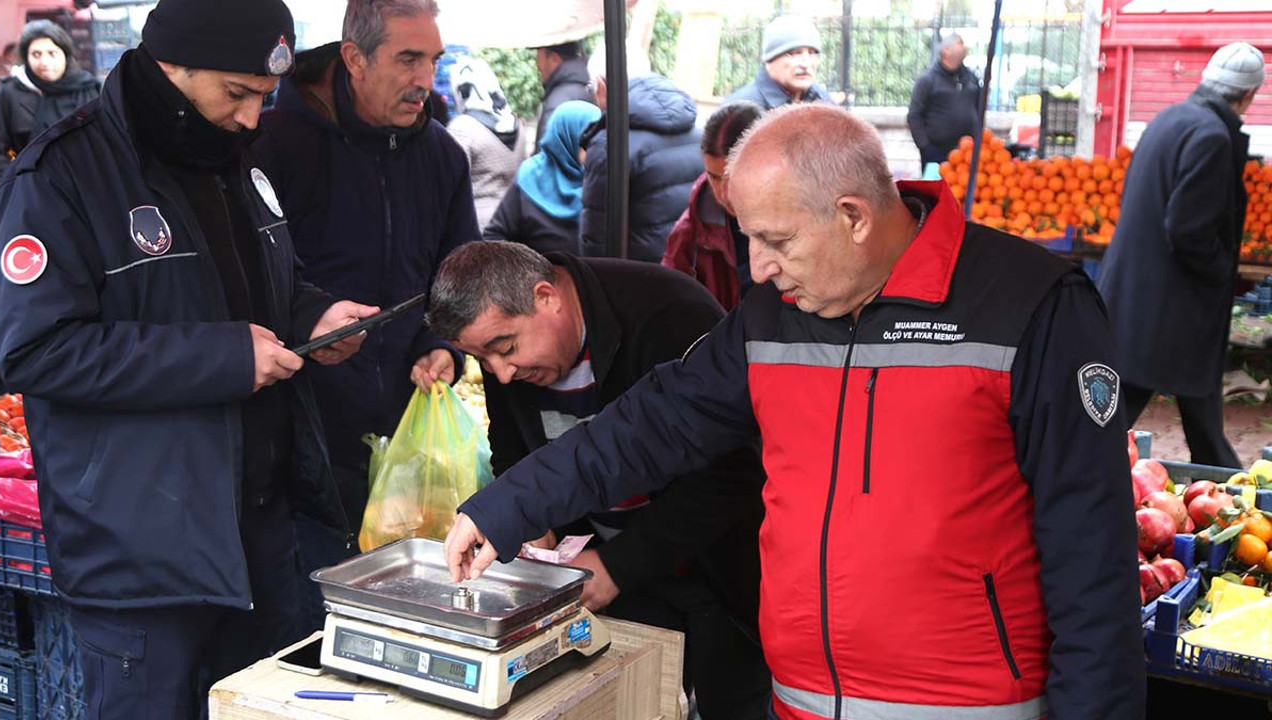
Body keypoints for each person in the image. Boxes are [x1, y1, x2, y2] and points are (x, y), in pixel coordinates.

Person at [445, 104, 1145, 720]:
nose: (757, 269)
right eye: (747, 237)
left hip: (968, 705)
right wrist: (503, 508)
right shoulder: (772, 319)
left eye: (776, 242)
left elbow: (1092, 553)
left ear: (853, 217)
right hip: (800, 700)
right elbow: (648, 425)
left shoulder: (1031, 304)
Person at [0, 0, 382, 717]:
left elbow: (264, 289)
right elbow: (36, 351)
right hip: (145, 561)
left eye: (264, 99)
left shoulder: (232, 160)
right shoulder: (59, 178)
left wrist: (312, 316)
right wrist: (225, 357)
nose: (251, 119)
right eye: (236, 95)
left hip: (262, 539)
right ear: (176, 66)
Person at [427, 240, 771, 719]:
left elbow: (729, 474)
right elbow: (513, 449)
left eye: (505, 348)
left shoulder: (670, 313)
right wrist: (532, 521)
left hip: (714, 572)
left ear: (547, 297)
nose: (502, 374)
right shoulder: (511, 357)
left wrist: (618, 564)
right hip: (601, 579)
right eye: (485, 361)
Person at [253, 0, 479, 559]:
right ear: (354, 58)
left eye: (433, 60)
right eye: (407, 59)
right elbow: (246, 276)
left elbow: (462, 275)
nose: (424, 80)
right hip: (297, 427)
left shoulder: (445, 158)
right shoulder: (272, 145)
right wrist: (309, 320)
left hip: (408, 430)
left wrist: (443, 345)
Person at [1097, 42, 1264, 468]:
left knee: (1196, 412)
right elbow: (1188, 230)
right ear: (1247, 96)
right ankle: (1061, 490)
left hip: (1145, 298)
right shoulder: (1211, 136)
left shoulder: (1171, 119)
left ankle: (1230, 487)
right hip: (1171, 308)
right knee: (1111, 420)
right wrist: (1223, 270)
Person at [580, 44, 702, 262]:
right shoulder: (695, 125)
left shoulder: (610, 141)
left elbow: (597, 238)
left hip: (642, 276)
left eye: (591, 89)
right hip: (690, 263)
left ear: (600, 85)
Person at [662, 100, 764, 310]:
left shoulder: (804, 219)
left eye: (734, 178)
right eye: (714, 177)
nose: (724, 194)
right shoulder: (690, 233)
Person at [484, 100, 600, 254]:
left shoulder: (601, 178)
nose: (597, 148)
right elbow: (494, 237)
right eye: (588, 141)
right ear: (567, 138)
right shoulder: (530, 177)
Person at [0, 21, 100, 179]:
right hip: (30, 189)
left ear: (65, 54)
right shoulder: (10, 91)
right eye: (36, 54)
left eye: (52, 53)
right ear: (26, 57)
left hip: (84, 183)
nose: (44, 62)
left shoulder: (89, 89)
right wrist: (14, 185)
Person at [447, 56, 526, 230]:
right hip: (514, 221)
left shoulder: (462, 128)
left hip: (478, 226)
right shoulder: (517, 123)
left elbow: (449, 186)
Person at [907, 33, 982, 170]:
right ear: (946, 50)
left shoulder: (971, 78)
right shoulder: (928, 79)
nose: (965, 46)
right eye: (960, 43)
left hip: (967, 151)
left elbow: (979, 108)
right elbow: (914, 115)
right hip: (936, 151)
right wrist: (925, 146)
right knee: (935, 190)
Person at [723, 15, 830, 110]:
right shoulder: (740, 111)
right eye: (794, 54)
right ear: (769, 60)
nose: (806, 64)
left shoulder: (823, 101)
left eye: (812, 54)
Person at [533, 40, 592, 149]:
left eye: (538, 55)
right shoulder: (587, 88)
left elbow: (545, 158)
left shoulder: (557, 103)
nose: (537, 65)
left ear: (554, 59)